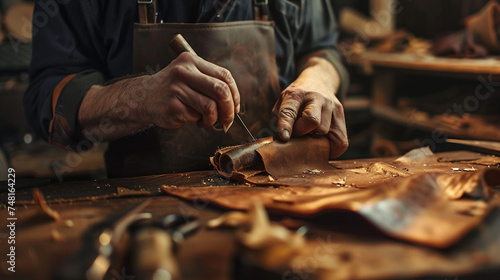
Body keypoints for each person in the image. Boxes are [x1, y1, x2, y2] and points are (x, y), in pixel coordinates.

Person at [24, 0, 349, 177]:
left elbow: (321, 49)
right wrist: (138, 98)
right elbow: (48, 98)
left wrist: (319, 76)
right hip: (144, 208)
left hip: (276, 195)